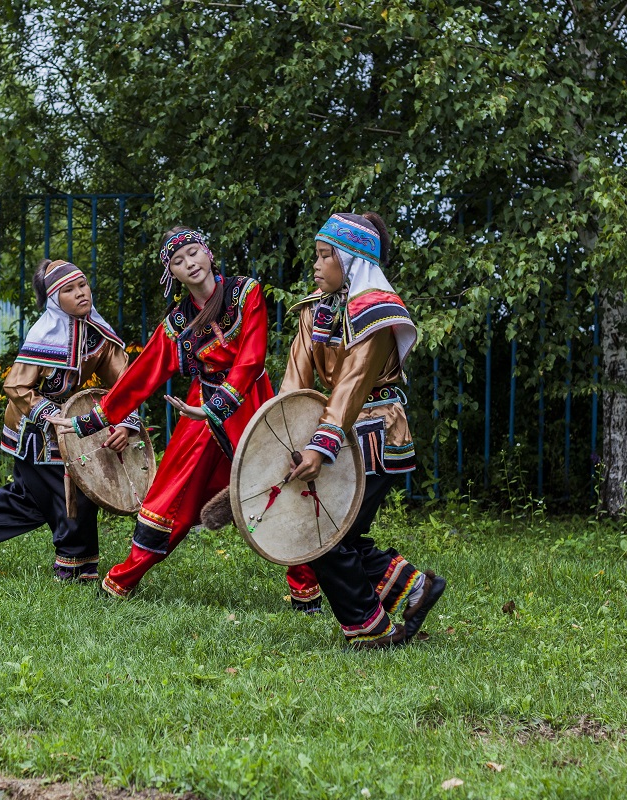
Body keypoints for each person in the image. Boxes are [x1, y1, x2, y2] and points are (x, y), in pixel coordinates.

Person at [52, 227, 314, 600]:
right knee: (172, 494)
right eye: (178, 261)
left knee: (277, 485)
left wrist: (216, 406)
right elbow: (142, 375)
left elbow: (252, 358)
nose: (189, 263)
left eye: (193, 253)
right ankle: (121, 580)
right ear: (171, 274)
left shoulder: (246, 292)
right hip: (199, 410)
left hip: (251, 403)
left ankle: (306, 588)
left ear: (207, 252)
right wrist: (90, 420)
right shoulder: (177, 324)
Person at [278, 212, 446, 649]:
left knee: (328, 535)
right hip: (335, 433)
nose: (315, 265)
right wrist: (282, 434)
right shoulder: (314, 309)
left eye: (325, 255)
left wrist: (319, 446)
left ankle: (370, 626)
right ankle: (410, 588)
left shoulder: (377, 313)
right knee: (335, 533)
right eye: (315, 255)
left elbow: (351, 386)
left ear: (351, 260)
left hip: (374, 433)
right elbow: (296, 380)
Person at [0, 259, 139, 579]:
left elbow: (126, 385)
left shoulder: (97, 334)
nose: (80, 293)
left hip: (70, 427)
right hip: (33, 429)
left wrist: (124, 423)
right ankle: (76, 570)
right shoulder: (45, 334)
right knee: (72, 494)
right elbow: (16, 385)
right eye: (69, 289)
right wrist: (50, 416)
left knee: (27, 504)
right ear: (54, 300)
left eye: (83, 285)